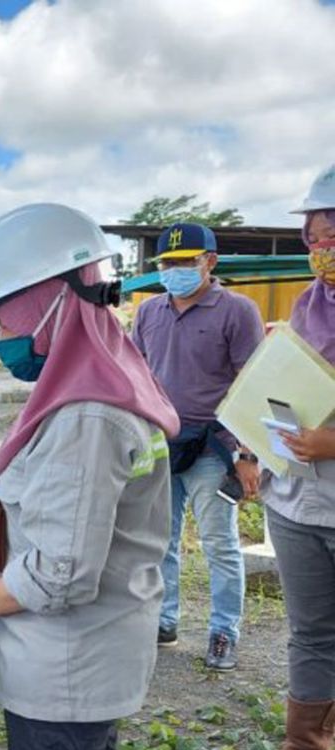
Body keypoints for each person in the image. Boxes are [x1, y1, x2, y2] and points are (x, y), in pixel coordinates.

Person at [0, 203, 180, 750]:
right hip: (85, 656)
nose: (3, 336)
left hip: (66, 669)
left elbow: (62, 574)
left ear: (51, 303)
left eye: (6, 317)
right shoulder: (103, 380)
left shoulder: (86, 415)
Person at [131, 222, 264, 670]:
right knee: (159, 541)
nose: (175, 271)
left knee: (219, 543)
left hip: (214, 448)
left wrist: (248, 455)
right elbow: (135, 377)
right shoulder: (149, 313)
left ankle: (223, 631)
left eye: (185, 262)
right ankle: (163, 620)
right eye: (168, 264)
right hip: (163, 446)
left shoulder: (236, 311)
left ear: (210, 262)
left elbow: (253, 385)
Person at [251, 164, 335, 750]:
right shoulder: (308, 308)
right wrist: (250, 445)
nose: (320, 250)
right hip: (297, 503)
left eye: (331, 234)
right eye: (312, 237)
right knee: (310, 632)